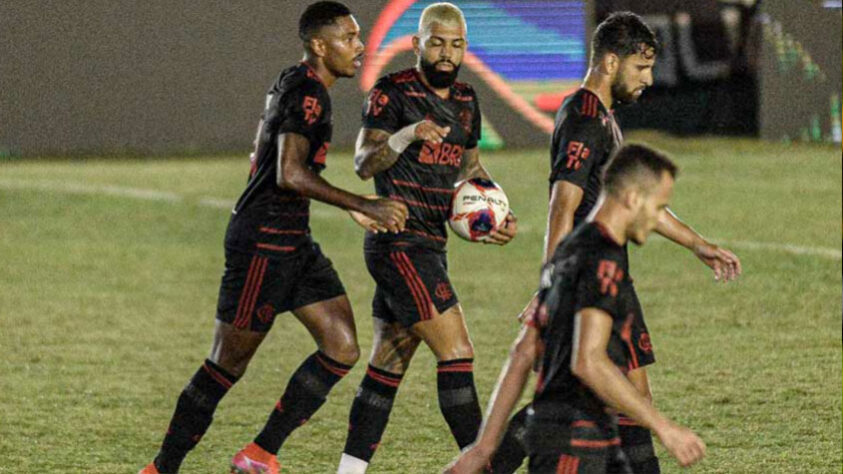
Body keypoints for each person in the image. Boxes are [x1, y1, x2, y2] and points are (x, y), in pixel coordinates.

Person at [138, 3, 408, 473]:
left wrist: (345, 207)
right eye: (348, 37)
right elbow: (288, 172)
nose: (360, 46)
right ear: (319, 46)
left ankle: (260, 453)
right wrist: (361, 203)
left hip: (293, 241)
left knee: (341, 347)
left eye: (358, 35)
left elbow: (270, 157)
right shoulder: (307, 92)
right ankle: (161, 468)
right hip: (262, 244)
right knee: (225, 366)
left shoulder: (297, 82)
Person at [486, 12, 742, 474]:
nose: (648, 79)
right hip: (588, 277)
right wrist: (551, 288)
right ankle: (486, 463)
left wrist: (698, 245)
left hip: (606, 273)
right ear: (609, 62)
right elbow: (561, 206)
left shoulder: (602, 118)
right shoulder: (585, 119)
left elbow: (637, 204)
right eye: (640, 68)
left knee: (631, 396)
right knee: (596, 394)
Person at [334, 3, 518, 474]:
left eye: (455, 44)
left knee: (387, 364)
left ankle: (348, 471)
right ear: (417, 43)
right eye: (436, 42)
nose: (446, 52)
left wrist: (497, 211)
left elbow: (471, 169)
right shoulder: (391, 92)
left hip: (430, 243)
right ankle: (483, 468)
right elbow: (364, 163)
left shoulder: (466, 100)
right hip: (399, 243)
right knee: (457, 351)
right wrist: (407, 135)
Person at [447, 144, 707, 474]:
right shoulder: (602, 258)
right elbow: (588, 361)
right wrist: (664, 427)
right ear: (631, 198)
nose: (658, 220)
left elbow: (523, 351)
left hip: (588, 438)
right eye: (658, 208)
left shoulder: (569, 248)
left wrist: (484, 446)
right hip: (572, 444)